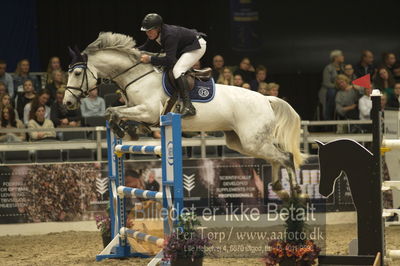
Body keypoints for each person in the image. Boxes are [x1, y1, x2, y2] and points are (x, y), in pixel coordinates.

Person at [138, 13, 206, 117]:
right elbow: (146, 47)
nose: (148, 33)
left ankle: (189, 106)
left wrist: (150, 59)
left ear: (158, 28)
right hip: (185, 47)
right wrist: (132, 51)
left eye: (150, 30)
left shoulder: (170, 35)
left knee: (177, 70)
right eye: (146, 31)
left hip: (197, 46)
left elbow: (170, 60)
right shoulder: (156, 33)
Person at [319, 50, 345, 120]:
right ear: (335, 58)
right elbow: (326, 83)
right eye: (341, 56)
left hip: (340, 89)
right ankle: (328, 120)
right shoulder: (328, 68)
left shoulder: (343, 68)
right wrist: (338, 86)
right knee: (332, 92)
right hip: (328, 91)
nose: (343, 57)